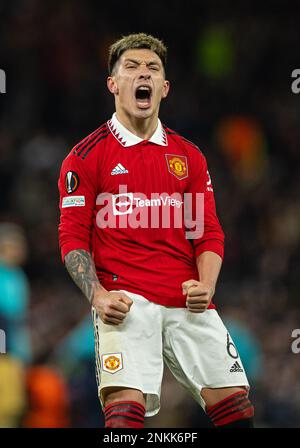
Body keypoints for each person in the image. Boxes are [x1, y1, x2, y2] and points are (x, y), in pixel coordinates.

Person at [58, 33, 254, 428]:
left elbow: (208, 231)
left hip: (187, 298)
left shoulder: (189, 156)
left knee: (236, 409)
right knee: (125, 413)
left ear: (163, 88)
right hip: (126, 301)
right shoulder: (85, 156)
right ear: (113, 84)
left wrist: (208, 284)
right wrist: (96, 295)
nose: (142, 73)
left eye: (152, 68)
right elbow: (72, 238)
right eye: (131, 67)